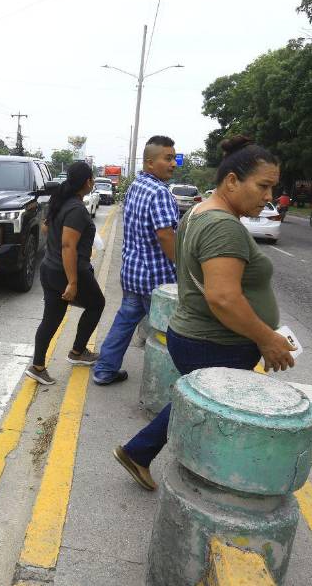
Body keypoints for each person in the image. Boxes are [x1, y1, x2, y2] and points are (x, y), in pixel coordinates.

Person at [113, 136, 296, 491]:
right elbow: (223, 298)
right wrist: (266, 338)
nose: (269, 196)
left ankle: (139, 452)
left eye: (272, 187)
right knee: (213, 410)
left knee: (194, 401)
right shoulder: (221, 226)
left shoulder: (200, 212)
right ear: (232, 181)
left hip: (199, 336)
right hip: (215, 341)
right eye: (263, 186)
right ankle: (210, 485)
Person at [93, 136, 179, 385]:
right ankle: (168, 383)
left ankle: (105, 370)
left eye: (174, 157)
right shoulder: (160, 193)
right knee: (171, 330)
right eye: (168, 158)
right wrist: (181, 268)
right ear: (150, 163)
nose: (173, 163)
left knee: (124, 321)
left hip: (132, 272)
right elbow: (165, 234)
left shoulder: (135, 185)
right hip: (157, 278)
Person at [25, 161, 106, 385]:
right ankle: (78, 352)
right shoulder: (76, 209)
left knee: (51, 318)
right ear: (88, 182)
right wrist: (72, 282)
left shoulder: (60, 201)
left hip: (49, 268)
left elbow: (45, 227)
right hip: (68, 272)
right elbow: (68, 247)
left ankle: (38, 366)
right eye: (92, 179)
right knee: (97, 304)